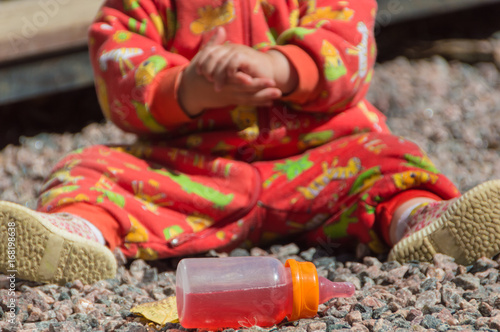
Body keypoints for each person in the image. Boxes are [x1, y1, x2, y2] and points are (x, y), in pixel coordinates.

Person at [1, 0, 499, 285]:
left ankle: (419, 219)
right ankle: (76, 232)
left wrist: (284, 68)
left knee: (389, 160)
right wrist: (187, 87)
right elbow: (117, 63)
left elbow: (351, 43)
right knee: (91, 168)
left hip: (318, 162)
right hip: (196, 172)